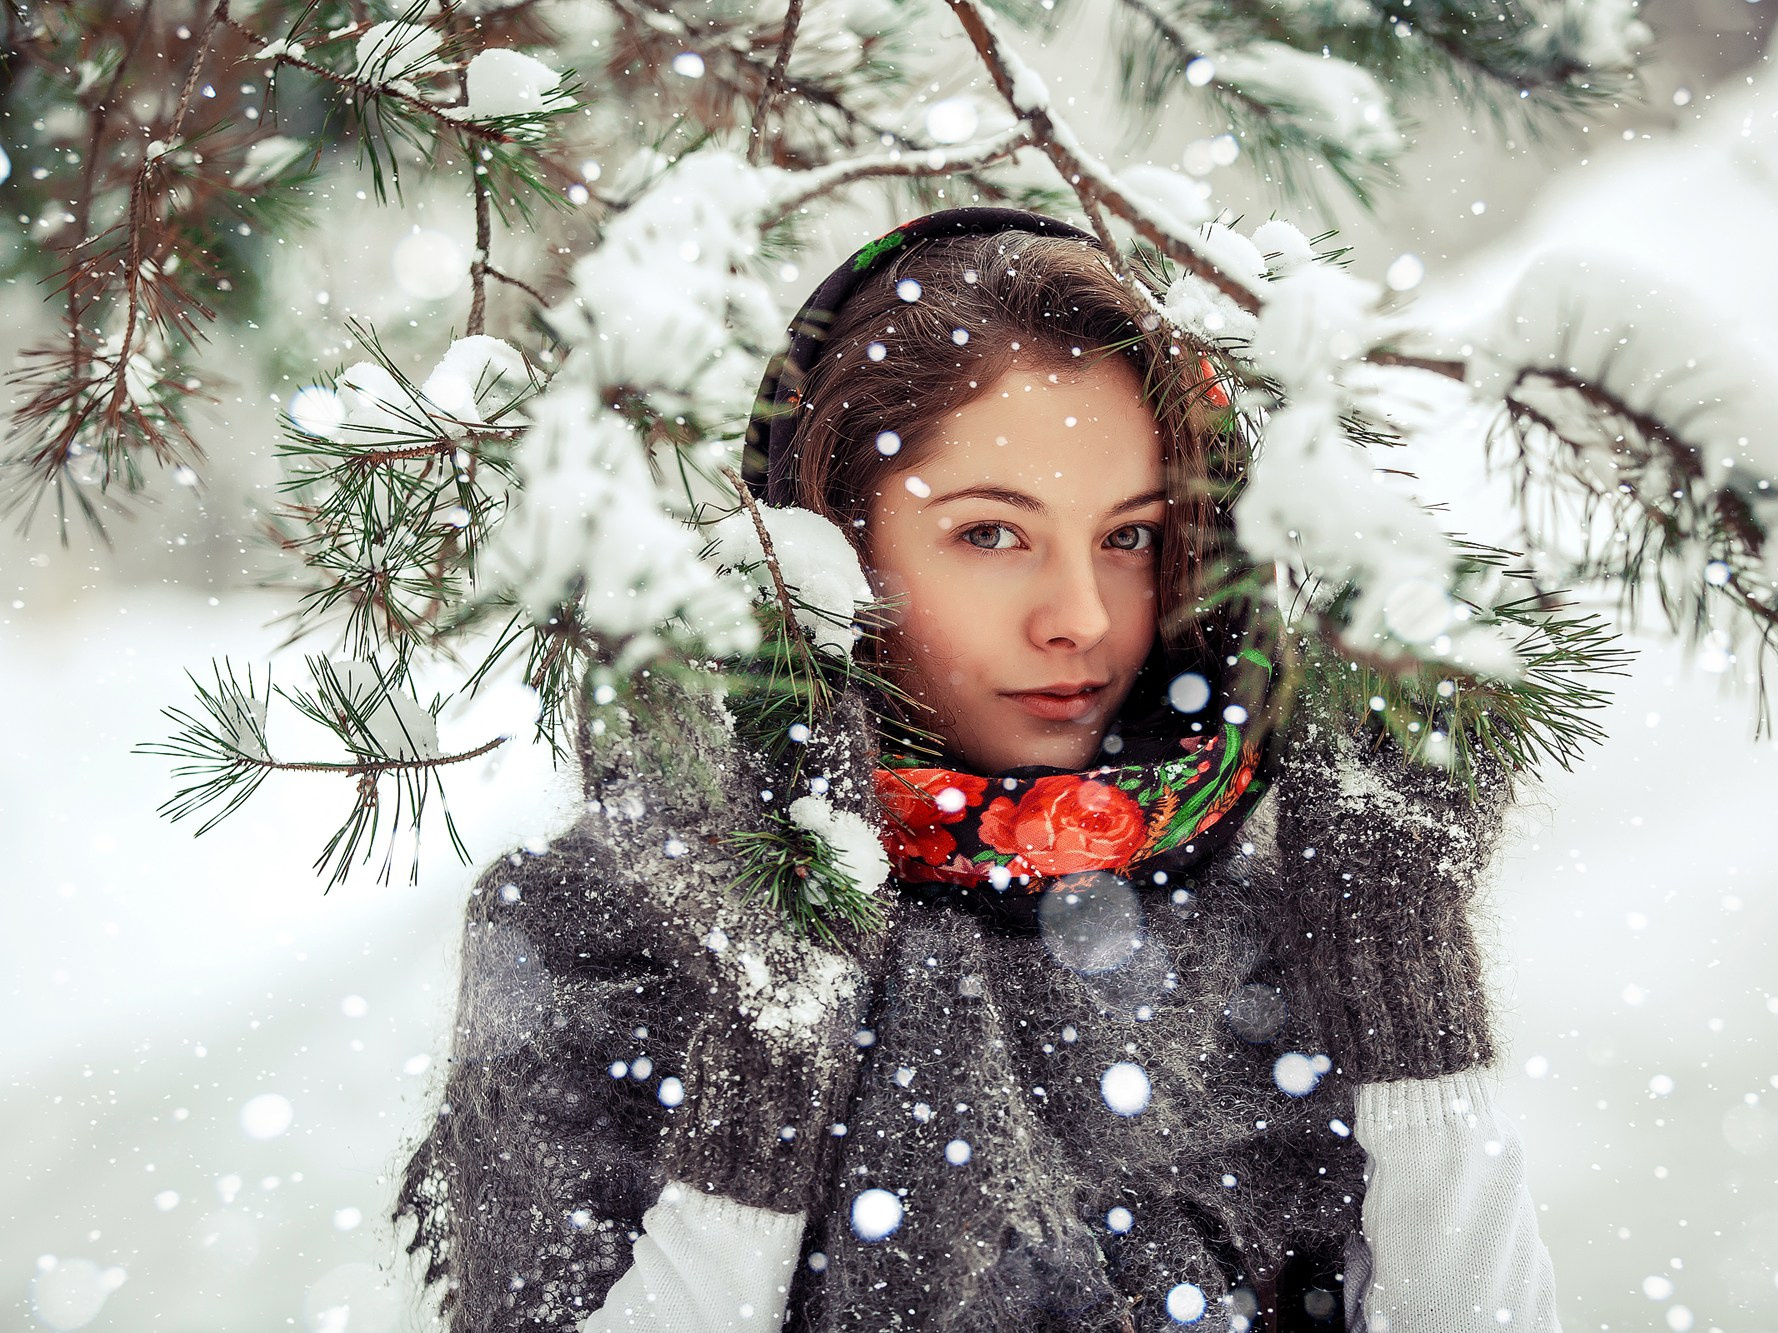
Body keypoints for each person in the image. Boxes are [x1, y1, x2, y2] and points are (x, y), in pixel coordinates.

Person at [396, 208, 1564, 1332]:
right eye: (990, 534)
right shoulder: (595, 934)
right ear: (823, 540)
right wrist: (766, 1045)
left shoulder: (1275, 923)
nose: (1077, 618)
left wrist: (1404, 976)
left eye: (1131, 536)